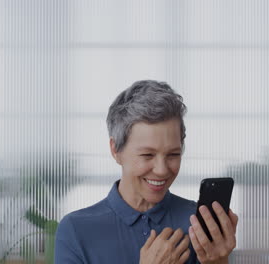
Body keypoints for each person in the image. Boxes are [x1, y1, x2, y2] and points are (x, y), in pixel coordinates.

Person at [55, 80, 238, 264]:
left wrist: (218, 261)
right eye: (147, 155)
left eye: (173, 154)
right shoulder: (76, 230)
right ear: (115, 150)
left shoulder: (200, 225)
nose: (161, 170)